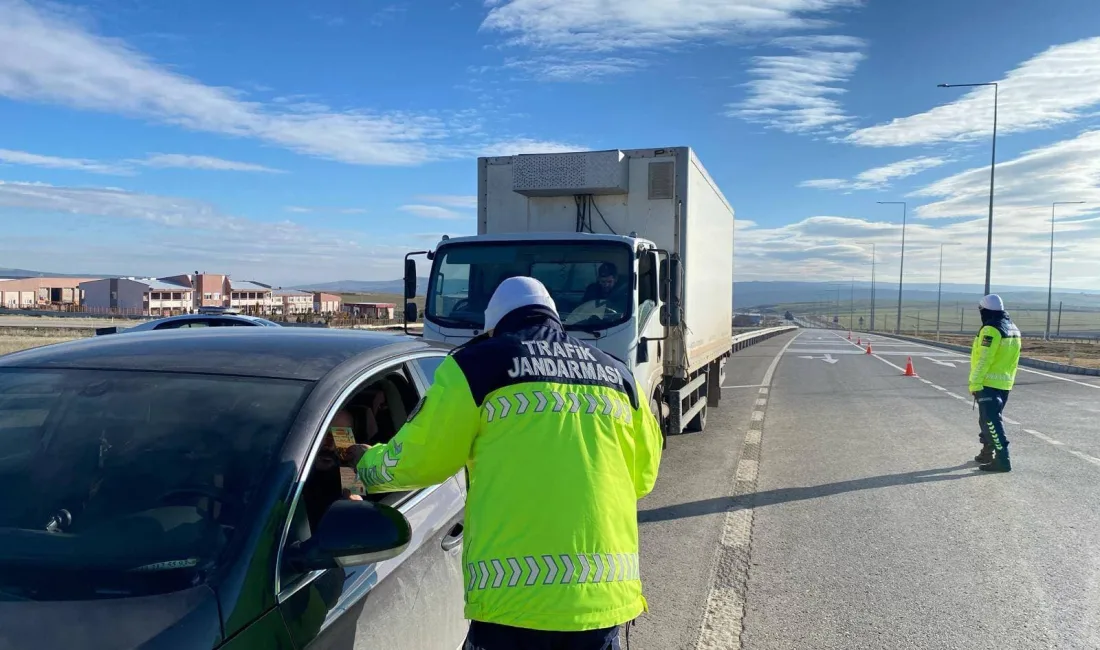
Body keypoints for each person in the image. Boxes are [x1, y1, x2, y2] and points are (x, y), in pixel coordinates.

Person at [347, 276, 663, 649]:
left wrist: (364, 465)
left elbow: (420, 460)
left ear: (493, 326)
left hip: (516, 607)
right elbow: (642, 477)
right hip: (602, 603)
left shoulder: (477, 366)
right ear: (554, 317)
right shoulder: (617, 373)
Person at [969, 294, 1021, 472]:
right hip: (1004, 383)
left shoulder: (991, 329)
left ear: (985, 311)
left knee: (991, 421)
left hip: (988, 382)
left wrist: (974, 383)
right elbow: (1013, 360)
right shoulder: (1013, 328)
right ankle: (986, 452)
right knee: (988, 420)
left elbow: (984, 358)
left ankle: (1002, 460)